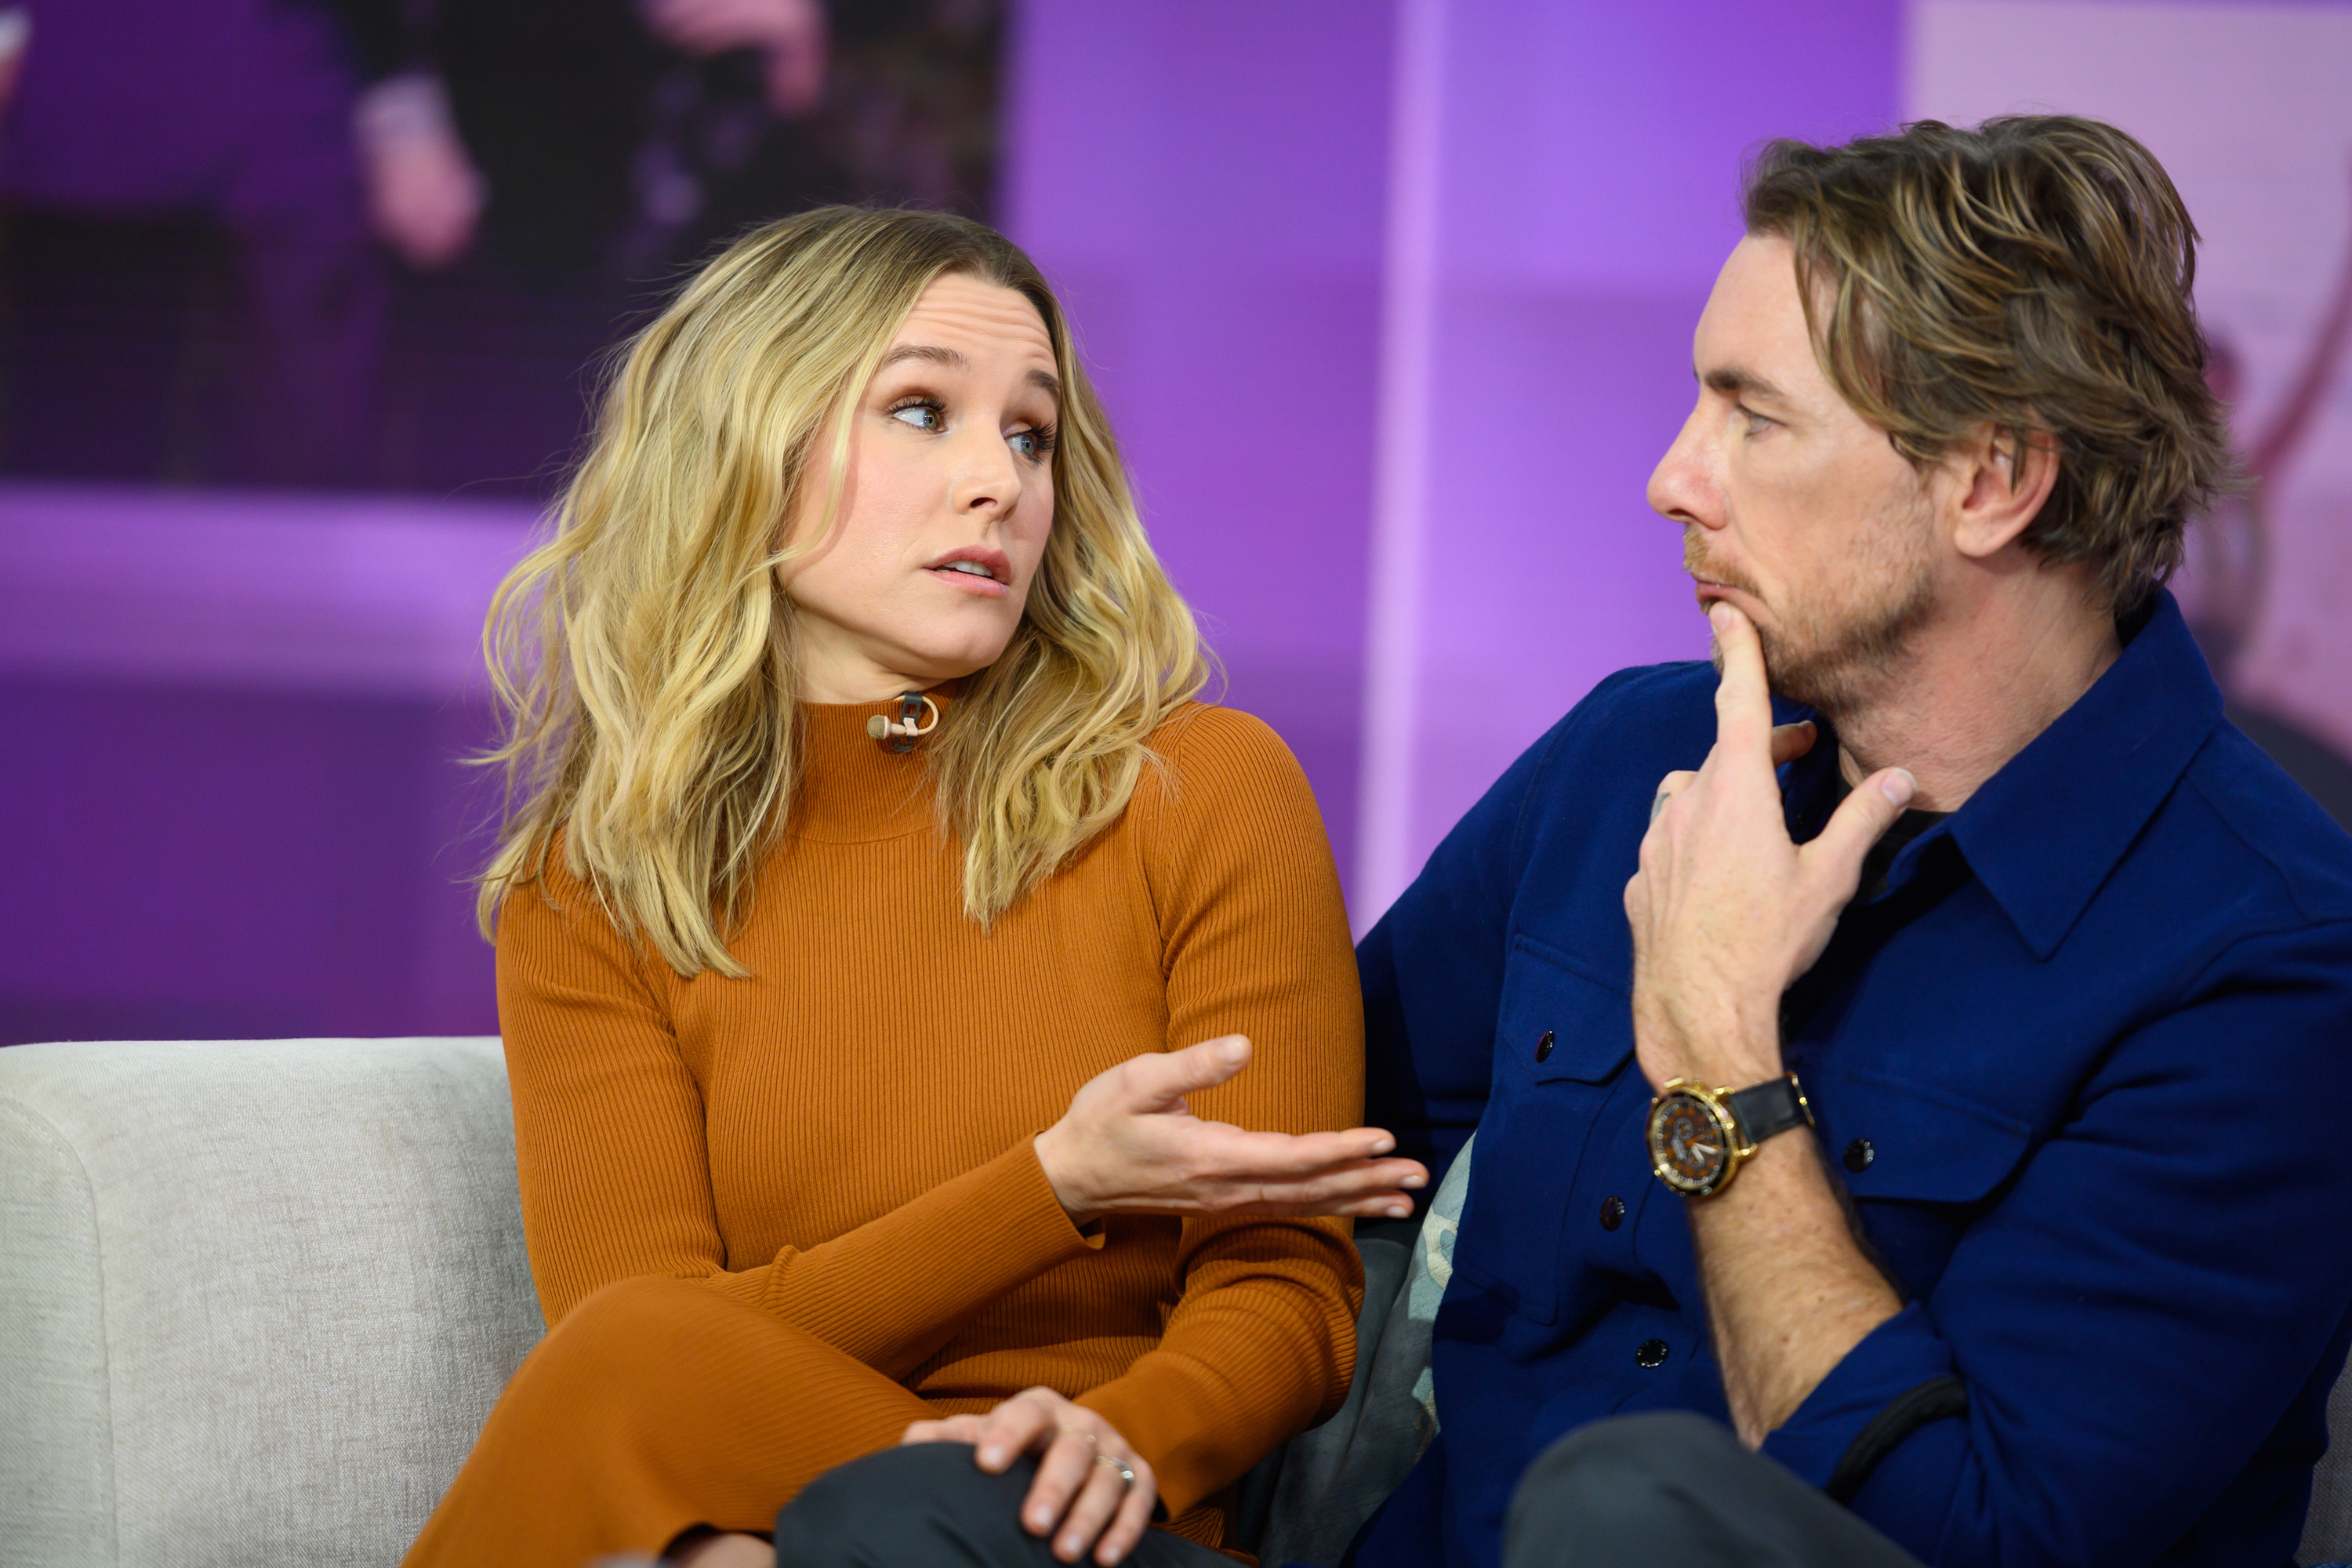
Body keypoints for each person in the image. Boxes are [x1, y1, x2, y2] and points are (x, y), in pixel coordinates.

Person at [1348, 117, 2352, 1567]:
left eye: (1754, 418)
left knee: (1622, 1518)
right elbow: (1315, 1147)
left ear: (1993, 479)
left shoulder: (2275, 965)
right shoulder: (1632, 754)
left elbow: (1972, 1537)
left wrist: (1716, 1055)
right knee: (929, 1513)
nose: (1674, 480)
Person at [401, 205, 1427, 1568]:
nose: (999, 482)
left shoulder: (1201, 786)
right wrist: (1050, 1185)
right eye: (923, 411)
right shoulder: (592, 885)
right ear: (746, 450)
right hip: (788, 1502)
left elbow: (1286, 1291)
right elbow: (649, 1355)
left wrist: (1118, 1441)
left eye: (1030, 433)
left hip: (1093, 1518)